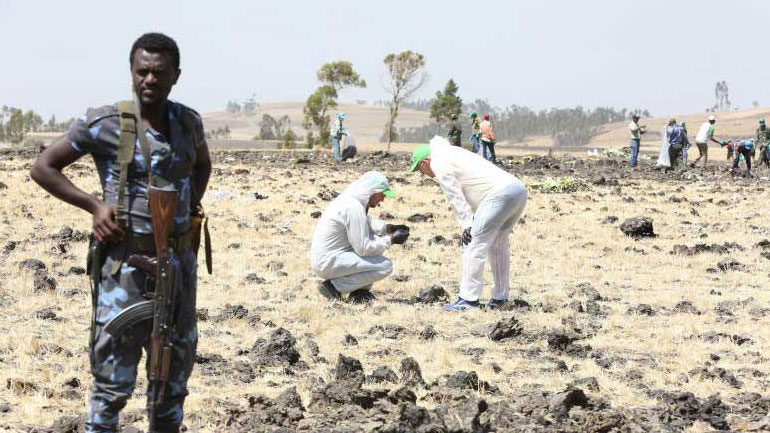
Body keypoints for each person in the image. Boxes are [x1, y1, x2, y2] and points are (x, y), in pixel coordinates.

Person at [29, 33, 212, 432]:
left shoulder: (188, 123)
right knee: (111, 385)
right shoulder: (106, 124)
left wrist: (185, 210)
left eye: (159, 72)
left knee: (171, 383)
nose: (150, 80)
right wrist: (95, 206)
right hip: (124, 268)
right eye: (142, 71)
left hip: (178, 268)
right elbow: (44, 167)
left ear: (176, 76)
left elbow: (202, 165)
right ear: (131, 72)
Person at [410, 137, 527, 311]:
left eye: (420, 170)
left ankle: (468, 299)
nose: (424, 174)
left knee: (473, 244)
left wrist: (467, 225)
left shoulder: (438, 161)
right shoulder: (454, 153)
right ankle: (500, 298)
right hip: (517, 190)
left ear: (425, 162)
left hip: (499, 195)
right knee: (498, 245)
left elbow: (454, 194)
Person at [310, 171, 409, 303]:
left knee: (374, 252)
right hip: (329, 261)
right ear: (372, 191)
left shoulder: (350, 202)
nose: (383, 199)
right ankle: (333, 287)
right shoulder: (353, 207)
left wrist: (388, 228)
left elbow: (366, 222)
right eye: (382, 194)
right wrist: (390, 240)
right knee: (385, 266)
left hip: (328, 258)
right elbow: (363, 248)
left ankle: (359, 293)